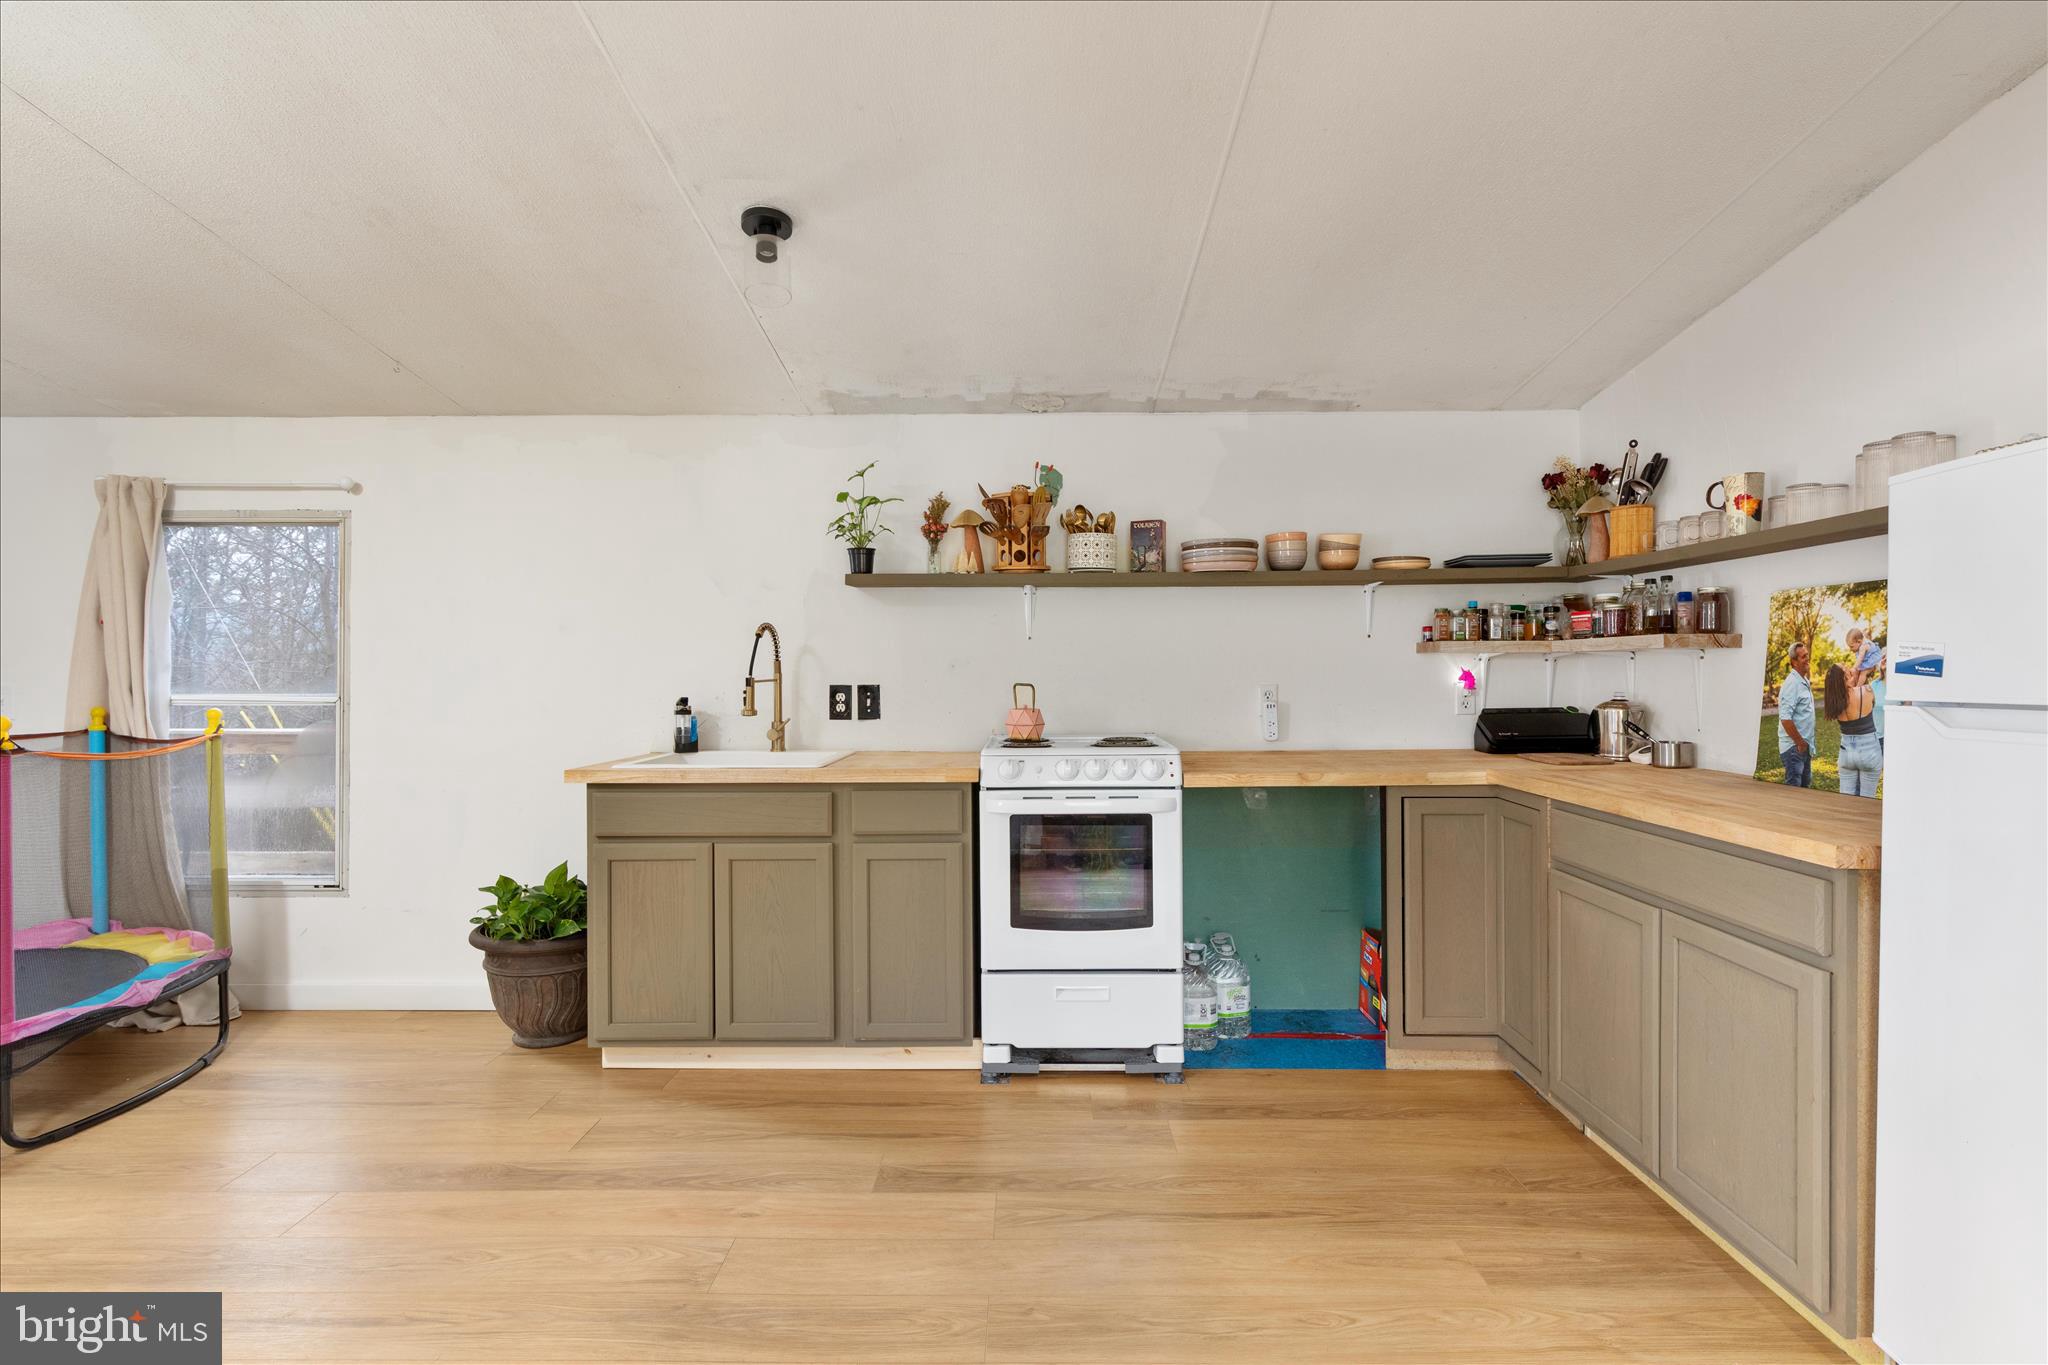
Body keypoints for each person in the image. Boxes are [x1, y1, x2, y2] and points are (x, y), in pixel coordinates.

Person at [1825, 663, 1882, 798]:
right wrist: (1867, 673)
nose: (1851, 667)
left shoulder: (1834, 701)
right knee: (1867, 800)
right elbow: (1873, 700)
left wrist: (1858, 677)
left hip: (1846, 754)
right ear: (1846, 677)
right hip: (1869, 753)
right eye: (1846, 668)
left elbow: (1849, 694)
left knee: (1847, 800)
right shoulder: (1866, 691)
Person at [1777, 642, 1816, 787]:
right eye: (1803, 657)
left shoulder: (1803, 680)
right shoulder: (1792, 684)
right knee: (1794, 795)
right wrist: (1799, 743)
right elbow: (1785, 718)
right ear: (1794, 662)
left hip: (1802, 747)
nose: (1807, 658)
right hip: (1794, 748)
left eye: (1807, 655)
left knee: (1804, 791)